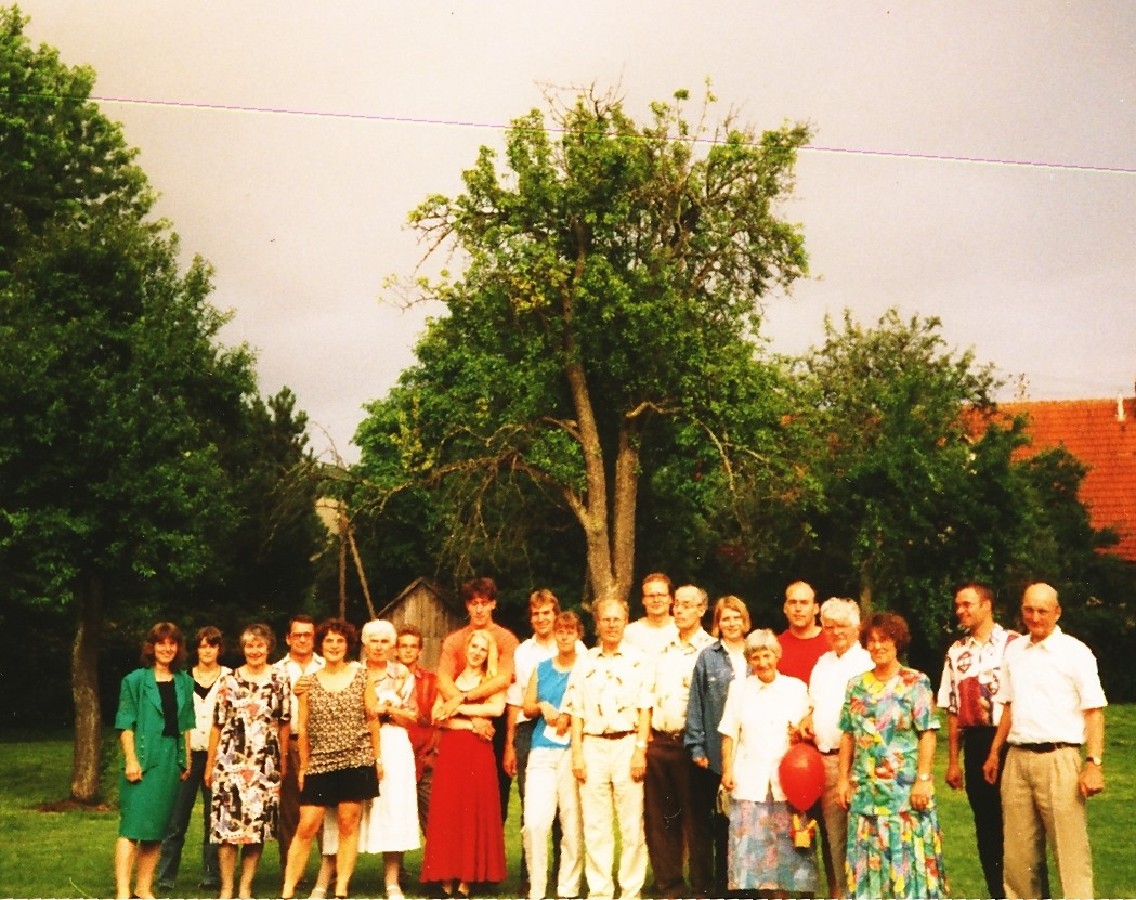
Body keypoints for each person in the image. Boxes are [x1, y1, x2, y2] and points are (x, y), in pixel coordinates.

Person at [982, 582, 1107, 899]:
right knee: (1018, 856)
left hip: (1059, 759)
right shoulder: (1014, 651)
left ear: (1057, 612)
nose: (1035, 617)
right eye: (1029, 609)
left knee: (1069, 851)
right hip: (1017, 760)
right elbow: (1008, 706)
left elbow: (1094, 711)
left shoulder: (1076, 653)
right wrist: (995, 752)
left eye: (1042, 610)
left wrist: (1093, 764)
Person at [837, 612, 945, 900]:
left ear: (897, 642)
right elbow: (847, 734)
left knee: (908, 868)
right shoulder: (855, 685)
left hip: (904, 793)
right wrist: (843, 780)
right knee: (867, 872)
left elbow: (927, 733)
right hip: (865, 793)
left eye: (883, 639)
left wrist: (923, 779)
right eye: (871, 641)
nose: (877, 646)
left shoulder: (915, 682)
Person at [281, 619, 381, 900]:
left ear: (347, 645)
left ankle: (341, 888)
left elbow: (372, 720)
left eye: (340, 641)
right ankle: (288, 889)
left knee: (348, 824)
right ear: (320, 645)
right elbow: (303, 728)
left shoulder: (362, 676)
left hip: (356, 760)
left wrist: (377, 758)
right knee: (307, 825)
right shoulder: (308, 683)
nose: (334, 646)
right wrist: (304, 766)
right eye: (328, 640)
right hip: (320, 762)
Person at [320, 620, 419, 900]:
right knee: (343, 812)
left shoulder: (402, 674)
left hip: (393, 743)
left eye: (384, 641)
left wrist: (385, 710)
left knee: (392, 808)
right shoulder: (351, 671)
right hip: (353, 742)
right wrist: (380, 709)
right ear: (364, 644)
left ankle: (392, 882)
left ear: (392, 646)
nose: (378, 647)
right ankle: (330, 879)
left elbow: (411, 716)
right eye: (373, 641)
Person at [563, 597, 653, 900]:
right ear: (597, 623)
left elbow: (644, 708)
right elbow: (576, 709)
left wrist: (640, 750)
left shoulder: (639, 660)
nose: (611, 625)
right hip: (593, 746)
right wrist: (577, 753)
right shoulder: (585, 661)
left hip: (627, 744)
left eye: (617, 619)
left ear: (625, 621)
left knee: (631, 824)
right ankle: (600, 890)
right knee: (596, 824)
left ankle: (630, 890)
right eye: (606, 619)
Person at [936, 583, 1020, 899]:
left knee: (1019, 824)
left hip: (1011, 740)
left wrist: (997, 750)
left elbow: (1017, 699)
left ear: (987, 605)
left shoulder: (1014, 644)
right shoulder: (957, 652)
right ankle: (998, 892)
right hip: (975, 742)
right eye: (958, 605)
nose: (960, 611)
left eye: (967, 604)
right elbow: (953, 709)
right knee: (986, 825)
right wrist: (953, 761)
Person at [718, 629, 816, 899]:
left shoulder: (796, 688)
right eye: (756, 657)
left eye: (767, 655)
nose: (762, 663)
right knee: (758, 853)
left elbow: (806, 728)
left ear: (777, 656)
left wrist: (801, 731)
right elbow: (729, 733)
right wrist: (727, 770)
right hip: (751, 779)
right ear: (749, 660)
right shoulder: (739, 689)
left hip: (789, 781)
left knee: (790, 849)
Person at [206, 623, 291, 900]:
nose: (255, 651)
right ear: (243, 649)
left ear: (269, 648)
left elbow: (284, 722)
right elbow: (217, 724)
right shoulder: (228, 680)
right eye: (250, 645)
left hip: (265, 765)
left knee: (256, 829)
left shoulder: (279, 679)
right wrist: (209, 765)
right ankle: (227, 888)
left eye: (260, 645)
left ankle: (245, 888)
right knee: (227, 829)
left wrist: (283, 761)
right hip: (229, 763)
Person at [421, 629, 508, 897]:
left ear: (488, 654)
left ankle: (467, 881)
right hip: (451, 751)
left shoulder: (491, 680)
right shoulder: (452, 679)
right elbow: (437, 715)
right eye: (474, 646)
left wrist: (457, 707)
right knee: (449, 811)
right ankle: (446, 877)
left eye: (483, 648)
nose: (477, 652)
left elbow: (496, 709)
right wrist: (472, 723)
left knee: (472, 810)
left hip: (477, 752)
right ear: (466, 648)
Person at [113, 622, 195, 900]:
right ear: (151, 647)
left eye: (172, 643)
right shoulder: (135, 681)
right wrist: (131, 760)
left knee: (156, 829)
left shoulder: (185, 681)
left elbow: (186, 724)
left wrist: (186, 759)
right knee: (132, 828)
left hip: (171, 760)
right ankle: (123, 890)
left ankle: (143, 888)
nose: (167, 648)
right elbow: (125, 724)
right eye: (161, 643)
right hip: (143, 757)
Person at [798, 597, 871, 899]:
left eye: (842, 625)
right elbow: (815, 706)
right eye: (829, 627)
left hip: (859, 763)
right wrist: (807, 719)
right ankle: (842, 893)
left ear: (857, 627)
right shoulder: (823, 664)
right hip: (826, 761)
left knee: (863, 837)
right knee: (835, 838)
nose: (836, 632)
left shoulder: (867, 662)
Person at [644, 584, 713, 899]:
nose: (681, 610)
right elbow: (649, 694)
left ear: (701, 609)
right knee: (661, 820)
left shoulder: (710, 650)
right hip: (660, 741)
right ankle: (669, 885)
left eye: (688, 605)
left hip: (693, 744)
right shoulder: (663, 650)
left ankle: (701, 886)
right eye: (678, 605)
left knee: (696, 820)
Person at [434, 576, 520, 823]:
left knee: (494, 796)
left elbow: (502, 678)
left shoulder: (506, 639)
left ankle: (490, 845)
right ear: (467, 606)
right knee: (458, 796)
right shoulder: (454, 640)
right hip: (459, 722)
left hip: (493, 718)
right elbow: (443, 679)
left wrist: (463, 699)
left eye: (484, 603)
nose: (479, 609)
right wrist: (468, 713)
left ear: (493, 604)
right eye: (474, 603)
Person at [685, 595, 750, 898]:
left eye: (736, 617)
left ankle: (747, 887)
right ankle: (720, 887)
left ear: (745, 620)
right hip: (714, 752)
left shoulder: (756, 652)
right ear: (718, 623)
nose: (732, 623)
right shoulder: (707, 657)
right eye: (726, 618)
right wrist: (696, 747)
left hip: (750, 753)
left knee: (748, 823)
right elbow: (696, 703)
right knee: (718, 825)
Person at [157, 626, 230, 893]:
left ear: (219, 649)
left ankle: (212, 875)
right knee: (176, 818)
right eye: (203, 645)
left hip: (220, 757)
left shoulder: (230, 678)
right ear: (196, 649)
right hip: (187, 754)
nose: (207, 650)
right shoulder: (183, 679)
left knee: (215, 819)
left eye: (212, 645)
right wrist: (183, 756)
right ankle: (165, 876)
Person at [520, 611, 586, 900]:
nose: (565, 635)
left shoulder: (586, 667)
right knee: (535, 822)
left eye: (570, 631)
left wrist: (570, 715)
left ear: (578, 634)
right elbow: (526, 707)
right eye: (560, 631)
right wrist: (542, 706)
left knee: (572, 823)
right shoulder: (542, 667)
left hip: (574, 750)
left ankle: (568, 889)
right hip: (542, 750)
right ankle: (537, 888)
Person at [503, 589, 566, 893]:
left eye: (546, 613)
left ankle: (562, 875)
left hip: (563, 728)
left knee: (564, 808)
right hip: (529, 729)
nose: (541, 619)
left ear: (556, 615)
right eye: (536, 614)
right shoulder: (523, 652)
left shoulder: (571, 645)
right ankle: (529, 875)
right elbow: (515, 700)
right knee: (531, 807)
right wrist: (510, 744)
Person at [274, 614, 325, 873]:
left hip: (324, 745)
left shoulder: (327, 665)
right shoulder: (276, 670)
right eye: (297, 635)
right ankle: (292, 870)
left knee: (325, 811)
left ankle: (330, 872)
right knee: (290, 810)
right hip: (290, 743)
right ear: (288, 638)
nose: (303, 640)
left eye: (308, 635)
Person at [395, 624, 440, 834]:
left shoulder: (431, 680)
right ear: (396, 650)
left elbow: (433, 719)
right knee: (396, 820)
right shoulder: (387, 680)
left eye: (413, 646)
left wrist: (433, 752)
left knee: (433, 819)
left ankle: (436, 857)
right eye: (403, 646)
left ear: (420, 651)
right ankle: (396, 858)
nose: (408, 650)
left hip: (424, 757)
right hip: (396, 757)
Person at [777, 581, 827, 683]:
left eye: (804, 603)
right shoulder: (775, 647)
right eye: (792, 602)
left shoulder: (831, 641)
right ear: (785, 608)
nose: (798, 608)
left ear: (816, 609)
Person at [623, 573, 678, 656]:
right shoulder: (630, 632)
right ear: (643, 600)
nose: (656, 600)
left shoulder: (681, 628)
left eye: (661, 595)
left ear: (671, 599)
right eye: (651, 596)